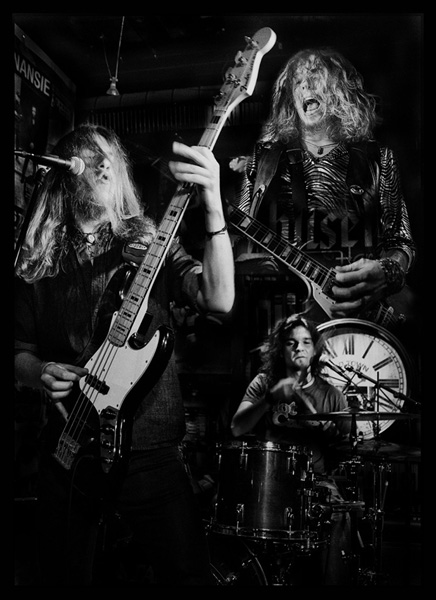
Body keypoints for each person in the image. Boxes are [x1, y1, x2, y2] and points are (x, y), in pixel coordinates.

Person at [14, 123, 234, 586]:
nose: (103, 166)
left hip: (149, 450)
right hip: (69, 445)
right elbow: (20, 352)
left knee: (187, 576)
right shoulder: (38, 259)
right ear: (66, 173)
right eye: (90, 158)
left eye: (109, 158)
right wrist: (40, 372)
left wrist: (213, 203)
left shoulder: (151, 243)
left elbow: (217, 298)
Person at [233, 47, 416, 327]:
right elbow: (238, 239)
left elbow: (400, 242)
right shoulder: (265, 160)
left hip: (363, 322)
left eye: (314, 75)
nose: (304, 85)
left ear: (338, 89)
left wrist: (388, 271)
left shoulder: (379, 159)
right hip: (287, 325)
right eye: (297, 81)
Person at [230, 314, 356, 585]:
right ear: (281, 349)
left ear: (315, 350)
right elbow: (237, 427)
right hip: (269, 480)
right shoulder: (264, 383)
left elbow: (348, 445)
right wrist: (270, 399)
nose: (299, 348)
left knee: (339, 514)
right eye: (291, 342)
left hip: (316, 481)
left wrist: (336, 432)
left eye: (306, 342)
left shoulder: (332, 394)